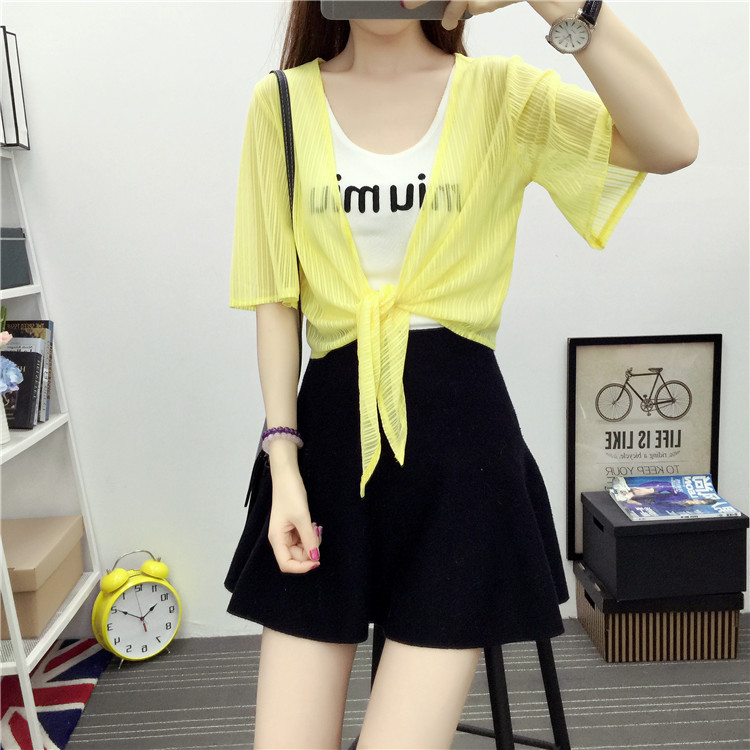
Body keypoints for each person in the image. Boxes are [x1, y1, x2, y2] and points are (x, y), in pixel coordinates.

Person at [224, 1, 698, 747]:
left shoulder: (499, 94)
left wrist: (556, 2)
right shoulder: (279, 103)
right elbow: (275, 298)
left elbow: (671, 143)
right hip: (325, 452)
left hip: (463, 460)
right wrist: (282, 462)